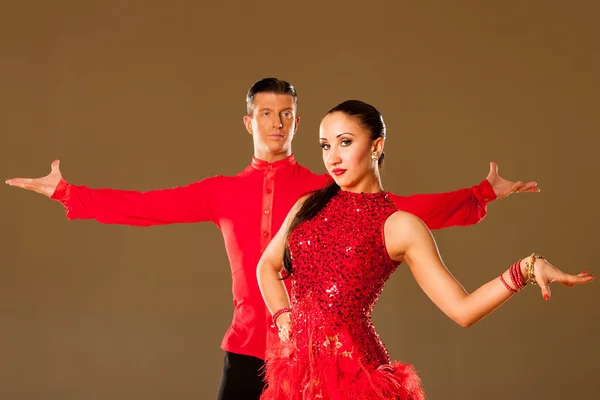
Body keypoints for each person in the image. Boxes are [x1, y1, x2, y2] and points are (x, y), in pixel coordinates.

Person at [6, 79, 539, 399]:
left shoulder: (325, 188)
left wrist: (480, 195)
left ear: (298, 121)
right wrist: (68, 194)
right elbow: (149, 206)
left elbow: (399, 213)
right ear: (249, 121)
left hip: (327, 361)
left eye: (287, 114)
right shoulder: (221, 191)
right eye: (266, 113)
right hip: (247, 351)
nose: (277, 123)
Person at [256, 99, 593, 400]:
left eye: (345, 142)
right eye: (325, 145)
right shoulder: (308, 207)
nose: (333, 157)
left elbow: (463, 310)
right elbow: (267, 266)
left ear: (376, 147)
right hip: (299, 378)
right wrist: (284, 317)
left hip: (355, 380)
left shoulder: (399, 225)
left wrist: (525, 269)